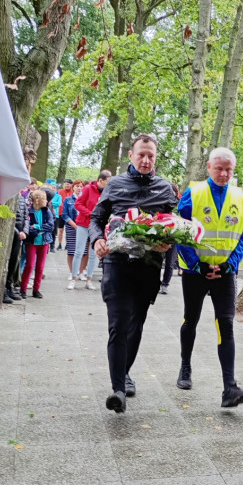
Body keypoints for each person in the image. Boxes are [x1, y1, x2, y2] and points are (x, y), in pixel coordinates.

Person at [90, 134, 177, 413]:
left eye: (150, 155)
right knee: (117, 325)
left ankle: (124, 373)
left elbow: (174, 225)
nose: (145, 160)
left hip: (148, 267)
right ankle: (117, 390)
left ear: (155, 157)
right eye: (141, 154)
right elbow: (96, 218)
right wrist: (96, 240)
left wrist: (169, 241)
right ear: (131, 155)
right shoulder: (115, 184)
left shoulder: (164, 189)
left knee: (135, 325)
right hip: (116, 264)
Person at [176, 147, 243, 407]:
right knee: (191, 320)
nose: (223, 174)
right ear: (208, 166)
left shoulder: (241, 197)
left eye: (228, 169)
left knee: (226, 325)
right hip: (195, 272)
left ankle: (229, 388)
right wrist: (197, 263)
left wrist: (231, 263)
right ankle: (185, 367)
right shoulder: (193, 194)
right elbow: (180, 233)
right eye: (219, 168)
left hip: (224, 273)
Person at [70, 170, 111, 290]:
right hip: (84, 223)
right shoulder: (88, 188)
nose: (108, 184)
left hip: (98, 226)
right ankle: (73, 279)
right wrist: (90, 214)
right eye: (107, 182)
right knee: (79, 251)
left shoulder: (108, 192)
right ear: (100, 180)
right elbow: (78, 204)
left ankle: (89, 279)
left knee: (94, 253)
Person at [20, 189, 54, 299]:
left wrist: (38, 227)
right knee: (29, 265)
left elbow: (51, 226)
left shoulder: (47, 211)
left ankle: (36, 289)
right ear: (38, 200)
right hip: (31, 242)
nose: (47, 201)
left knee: (40, 267)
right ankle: (23, 289)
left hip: (44, 242)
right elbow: (28, 228)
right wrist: (36, 229)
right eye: (44, 199)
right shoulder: (29, 211)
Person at [3, 191, 30, 304]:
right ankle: (3, 290)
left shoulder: (21, 198)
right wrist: (17, 232)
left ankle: (9, 287)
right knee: (6, 263)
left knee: (14, 263)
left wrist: (25, 231)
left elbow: (26, 217)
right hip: (12, 234)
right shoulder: (9, 196)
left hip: (19, 237)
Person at [62, 180, 88, 281]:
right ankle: (72, 272)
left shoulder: (85, 199)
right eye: (77, 186)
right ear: (73, 187)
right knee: (71, 250)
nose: (79, 188)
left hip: (84, 226)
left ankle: (81, 272)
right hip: (71, 227)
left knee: (84, 250)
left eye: (81, 186)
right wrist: (74, 225)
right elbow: (64, 215)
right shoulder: (68, 200)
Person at [160, 183, 181, 295]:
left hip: (173, 236)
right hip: (161, 235)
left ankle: (165, 284)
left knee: (170, 262)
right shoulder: (161, 201)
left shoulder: (179, 203)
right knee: (157, 261)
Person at [57, 179, 74, 250]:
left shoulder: (73, 192)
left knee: (69, 230)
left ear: (71, 185)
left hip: (69, 215)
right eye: (66, 184)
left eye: (69, 184)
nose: (67, 185)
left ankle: (68, 244)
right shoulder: (60, 192)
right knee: (60, 230)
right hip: (61, 213)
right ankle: (59, 244)